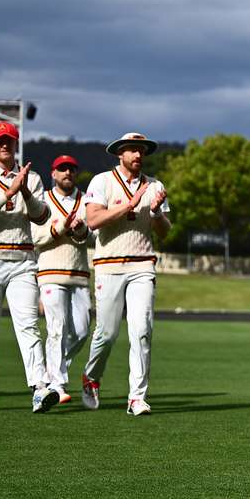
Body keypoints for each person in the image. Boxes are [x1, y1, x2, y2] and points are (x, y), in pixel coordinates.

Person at [0, 121, 58, 413]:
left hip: (23, 262)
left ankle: (40, 388)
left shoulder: (32, 177)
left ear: (16, 144)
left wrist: (25, 192)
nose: (4, 145)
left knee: (29, 326)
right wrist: (8, 191)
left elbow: (42, 217)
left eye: (9, 140)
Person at [81, 132, 170, 416]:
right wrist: (128, 206)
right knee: (106, 333)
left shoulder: (155, 185)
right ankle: (91, 377)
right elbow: (93, 220)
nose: (138, 155)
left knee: (142, 330)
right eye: (132, 149)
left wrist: (155, 212)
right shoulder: (102, 181)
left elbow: (166, 231)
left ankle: (137, 398)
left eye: (141, 150)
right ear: (119, 153)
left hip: (142, 264)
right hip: (108, 264)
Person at [31, 155, 91, 404]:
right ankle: (57, 384)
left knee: (82, 330)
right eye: (62, 169)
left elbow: (95, 238)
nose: (67, 172)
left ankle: (50, 371)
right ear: (53, 173)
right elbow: (35, 238)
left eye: (71, 169)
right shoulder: (42, 200)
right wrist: (60, 228)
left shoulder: (87, 200)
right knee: (57, 328)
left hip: (79, 273)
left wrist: (80, 230)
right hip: (50, 272)